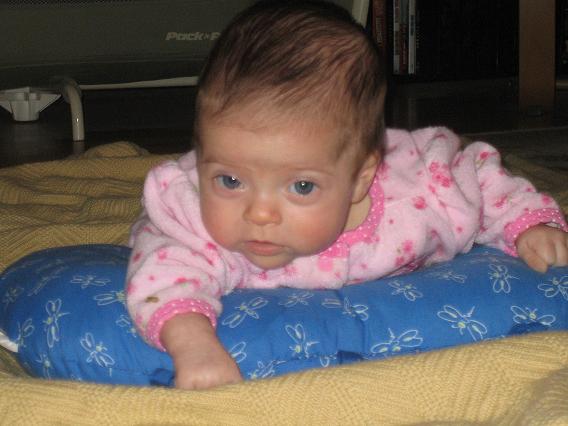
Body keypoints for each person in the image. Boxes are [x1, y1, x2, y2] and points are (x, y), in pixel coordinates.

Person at [126, 0, 568, 390]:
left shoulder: (421, 192)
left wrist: (530, 223)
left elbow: (481, 180)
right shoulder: (197, 217)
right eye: (229, 180)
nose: (259, 214)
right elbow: (164, 272)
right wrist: (193, 343)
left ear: (360, 179)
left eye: (301, 186)